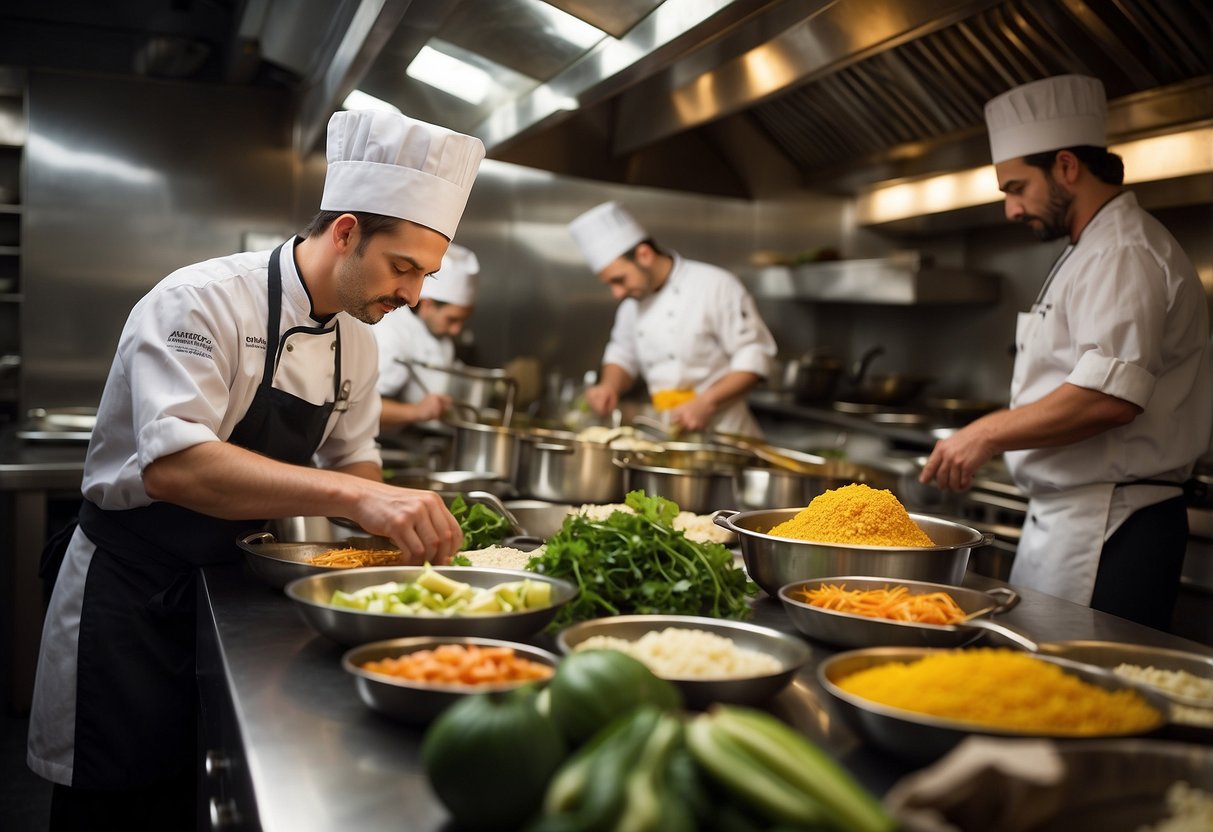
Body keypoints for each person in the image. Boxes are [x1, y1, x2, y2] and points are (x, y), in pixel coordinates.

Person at [27, 109, 485, 829]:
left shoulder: (356, 342)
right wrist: (361, 500)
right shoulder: (199, 300)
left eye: (424, 276)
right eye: (404, 268)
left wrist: (402, 555)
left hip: (238, 590)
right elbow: (177, 468)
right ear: (345, 233)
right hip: (133, 597)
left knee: (204, 798)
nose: (414, 297)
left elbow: (353, 463)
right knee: (113, 807)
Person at [918, 74, 1212, 630]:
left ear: (1067, 167)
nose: (1010, 209)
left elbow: (1109, 398)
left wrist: (983, 433)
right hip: (1075, 518)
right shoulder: (1092, 249)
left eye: (1016, 188)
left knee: (1082, 692)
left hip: (1112, 524)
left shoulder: (1123, 251)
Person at [566, 201, 777, 437]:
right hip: (665, 432)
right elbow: (622, 354)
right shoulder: (631, 305)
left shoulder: (714, 285)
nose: (617, 293)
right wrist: (609, 386)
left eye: (619, 280)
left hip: (725, 433)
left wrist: (708, 401)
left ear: (644, 255)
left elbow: (754, 354)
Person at [375, 243, 480, 430]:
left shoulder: (441, 337)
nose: (456, 330)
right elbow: (357, 408)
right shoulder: (390, 333)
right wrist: (415, 412)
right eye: (452, 319)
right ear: (427, 305)